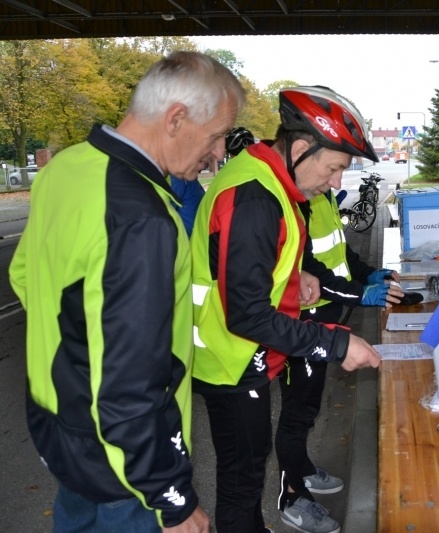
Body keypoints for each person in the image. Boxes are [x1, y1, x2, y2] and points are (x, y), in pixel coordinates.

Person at [9, 51, 244, 533]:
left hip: (62, 427)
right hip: (128, 470)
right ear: (176, 118)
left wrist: (77, 363)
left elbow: (27, 278)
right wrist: (171, 497)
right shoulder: (142, 219)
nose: (219, 153)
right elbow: (131, 381)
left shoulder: (67, 167)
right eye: (217, 134)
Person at [190, 85, 385, 533]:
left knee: (249, 469)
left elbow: (254, 267)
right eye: (334, 167)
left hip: (246, 353)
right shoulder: (256, 197)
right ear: (300, 148)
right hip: (231, 358)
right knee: (243, 479)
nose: (337, 182)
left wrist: (301, 276)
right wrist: (335, 343)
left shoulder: (270, 185)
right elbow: (246, 312)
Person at [276, 185, 404, 533]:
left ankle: (301, 467)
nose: (338, 175)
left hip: (321, 322)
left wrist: (366, 273)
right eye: (333, 165)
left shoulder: (323, 195)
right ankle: (291, 497)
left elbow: (339, 252)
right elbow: (307, 268)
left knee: (307, 408)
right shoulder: (292, 199)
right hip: (299, 324)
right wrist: (360, 294)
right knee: (296, 412)